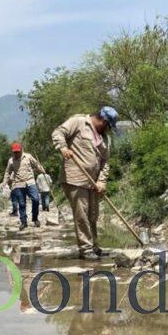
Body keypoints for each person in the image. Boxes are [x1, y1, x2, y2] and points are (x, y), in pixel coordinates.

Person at [52, 107, 118, 259]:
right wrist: (63, 147)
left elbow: (105, 162)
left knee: (93, 215)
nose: (109, 130)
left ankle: (94, 246)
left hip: (93, 182)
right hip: (75, 178)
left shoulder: (105, 138)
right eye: (109, 126)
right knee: (81, 214)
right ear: (104, 121)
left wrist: (102, 181)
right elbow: (58, 132)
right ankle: (86, 249)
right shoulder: (79, 122)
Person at [2, 142, 47, 230]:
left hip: (30, 182)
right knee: (22, 203)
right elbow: (7, 172)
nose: (16, 153)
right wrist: (4, 182)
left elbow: (36, 164)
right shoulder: (11, 161)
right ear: (12, 152)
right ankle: (23, 222)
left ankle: (35, 218)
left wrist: (41, 169)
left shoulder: (28, 157)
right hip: (18, 184)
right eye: (15, 152)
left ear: (21, 150)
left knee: (36, 199)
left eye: (18, 152)